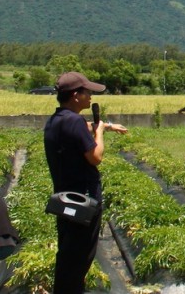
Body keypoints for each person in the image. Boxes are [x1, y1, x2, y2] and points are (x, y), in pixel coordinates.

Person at [44, 71, 128, 293]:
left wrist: (107, 126)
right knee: (78, 261)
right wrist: (100, 133)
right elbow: (96, 157)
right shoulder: (74, 121)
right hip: (83, 202)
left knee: (68, 257)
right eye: (87, 92)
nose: (90, 96)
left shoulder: (57, 120)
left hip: (65, 200)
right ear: (75, 95)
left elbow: (80, 130)